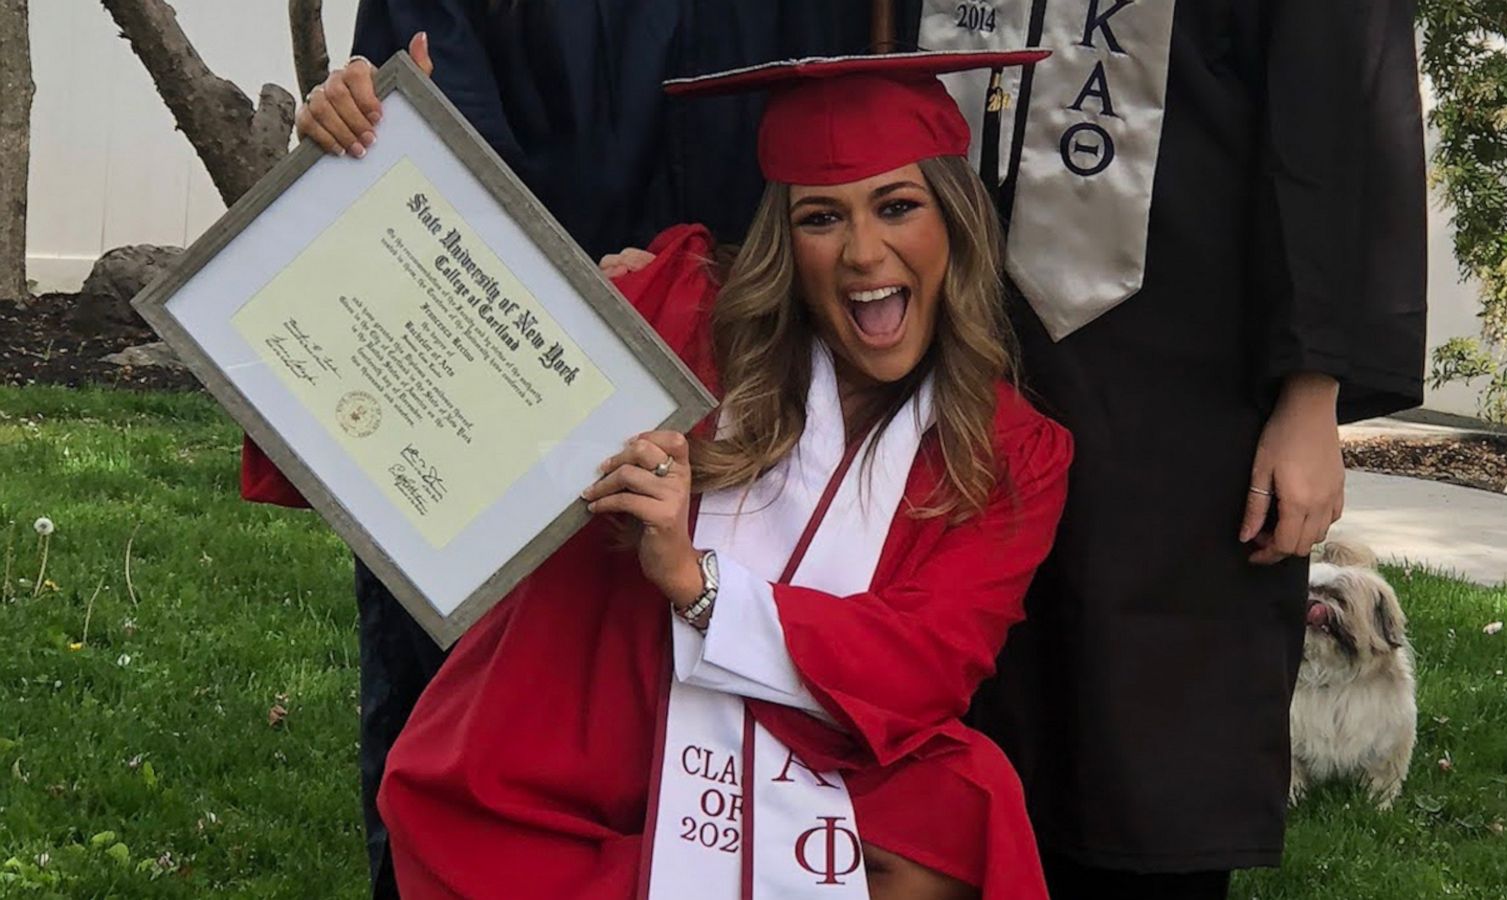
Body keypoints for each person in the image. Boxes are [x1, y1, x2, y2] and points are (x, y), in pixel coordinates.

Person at [246, 49, 1070, 898]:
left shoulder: (1008, 450)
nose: (864, 252)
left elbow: (929, 662)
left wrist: (696, 582)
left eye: (897, 207)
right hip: (583, 752)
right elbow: (449, 380)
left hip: (824, 750)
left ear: (956, 223)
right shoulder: (681, 315)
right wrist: (356, 167)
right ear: (786, 242)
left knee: (962, 811)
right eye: (821, 217)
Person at [914, 1, 1430, 896]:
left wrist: (1312, 391)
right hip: (963, 353)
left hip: (1190, 380)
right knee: (963, 721)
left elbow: (1334, 107)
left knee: (1152, 744)